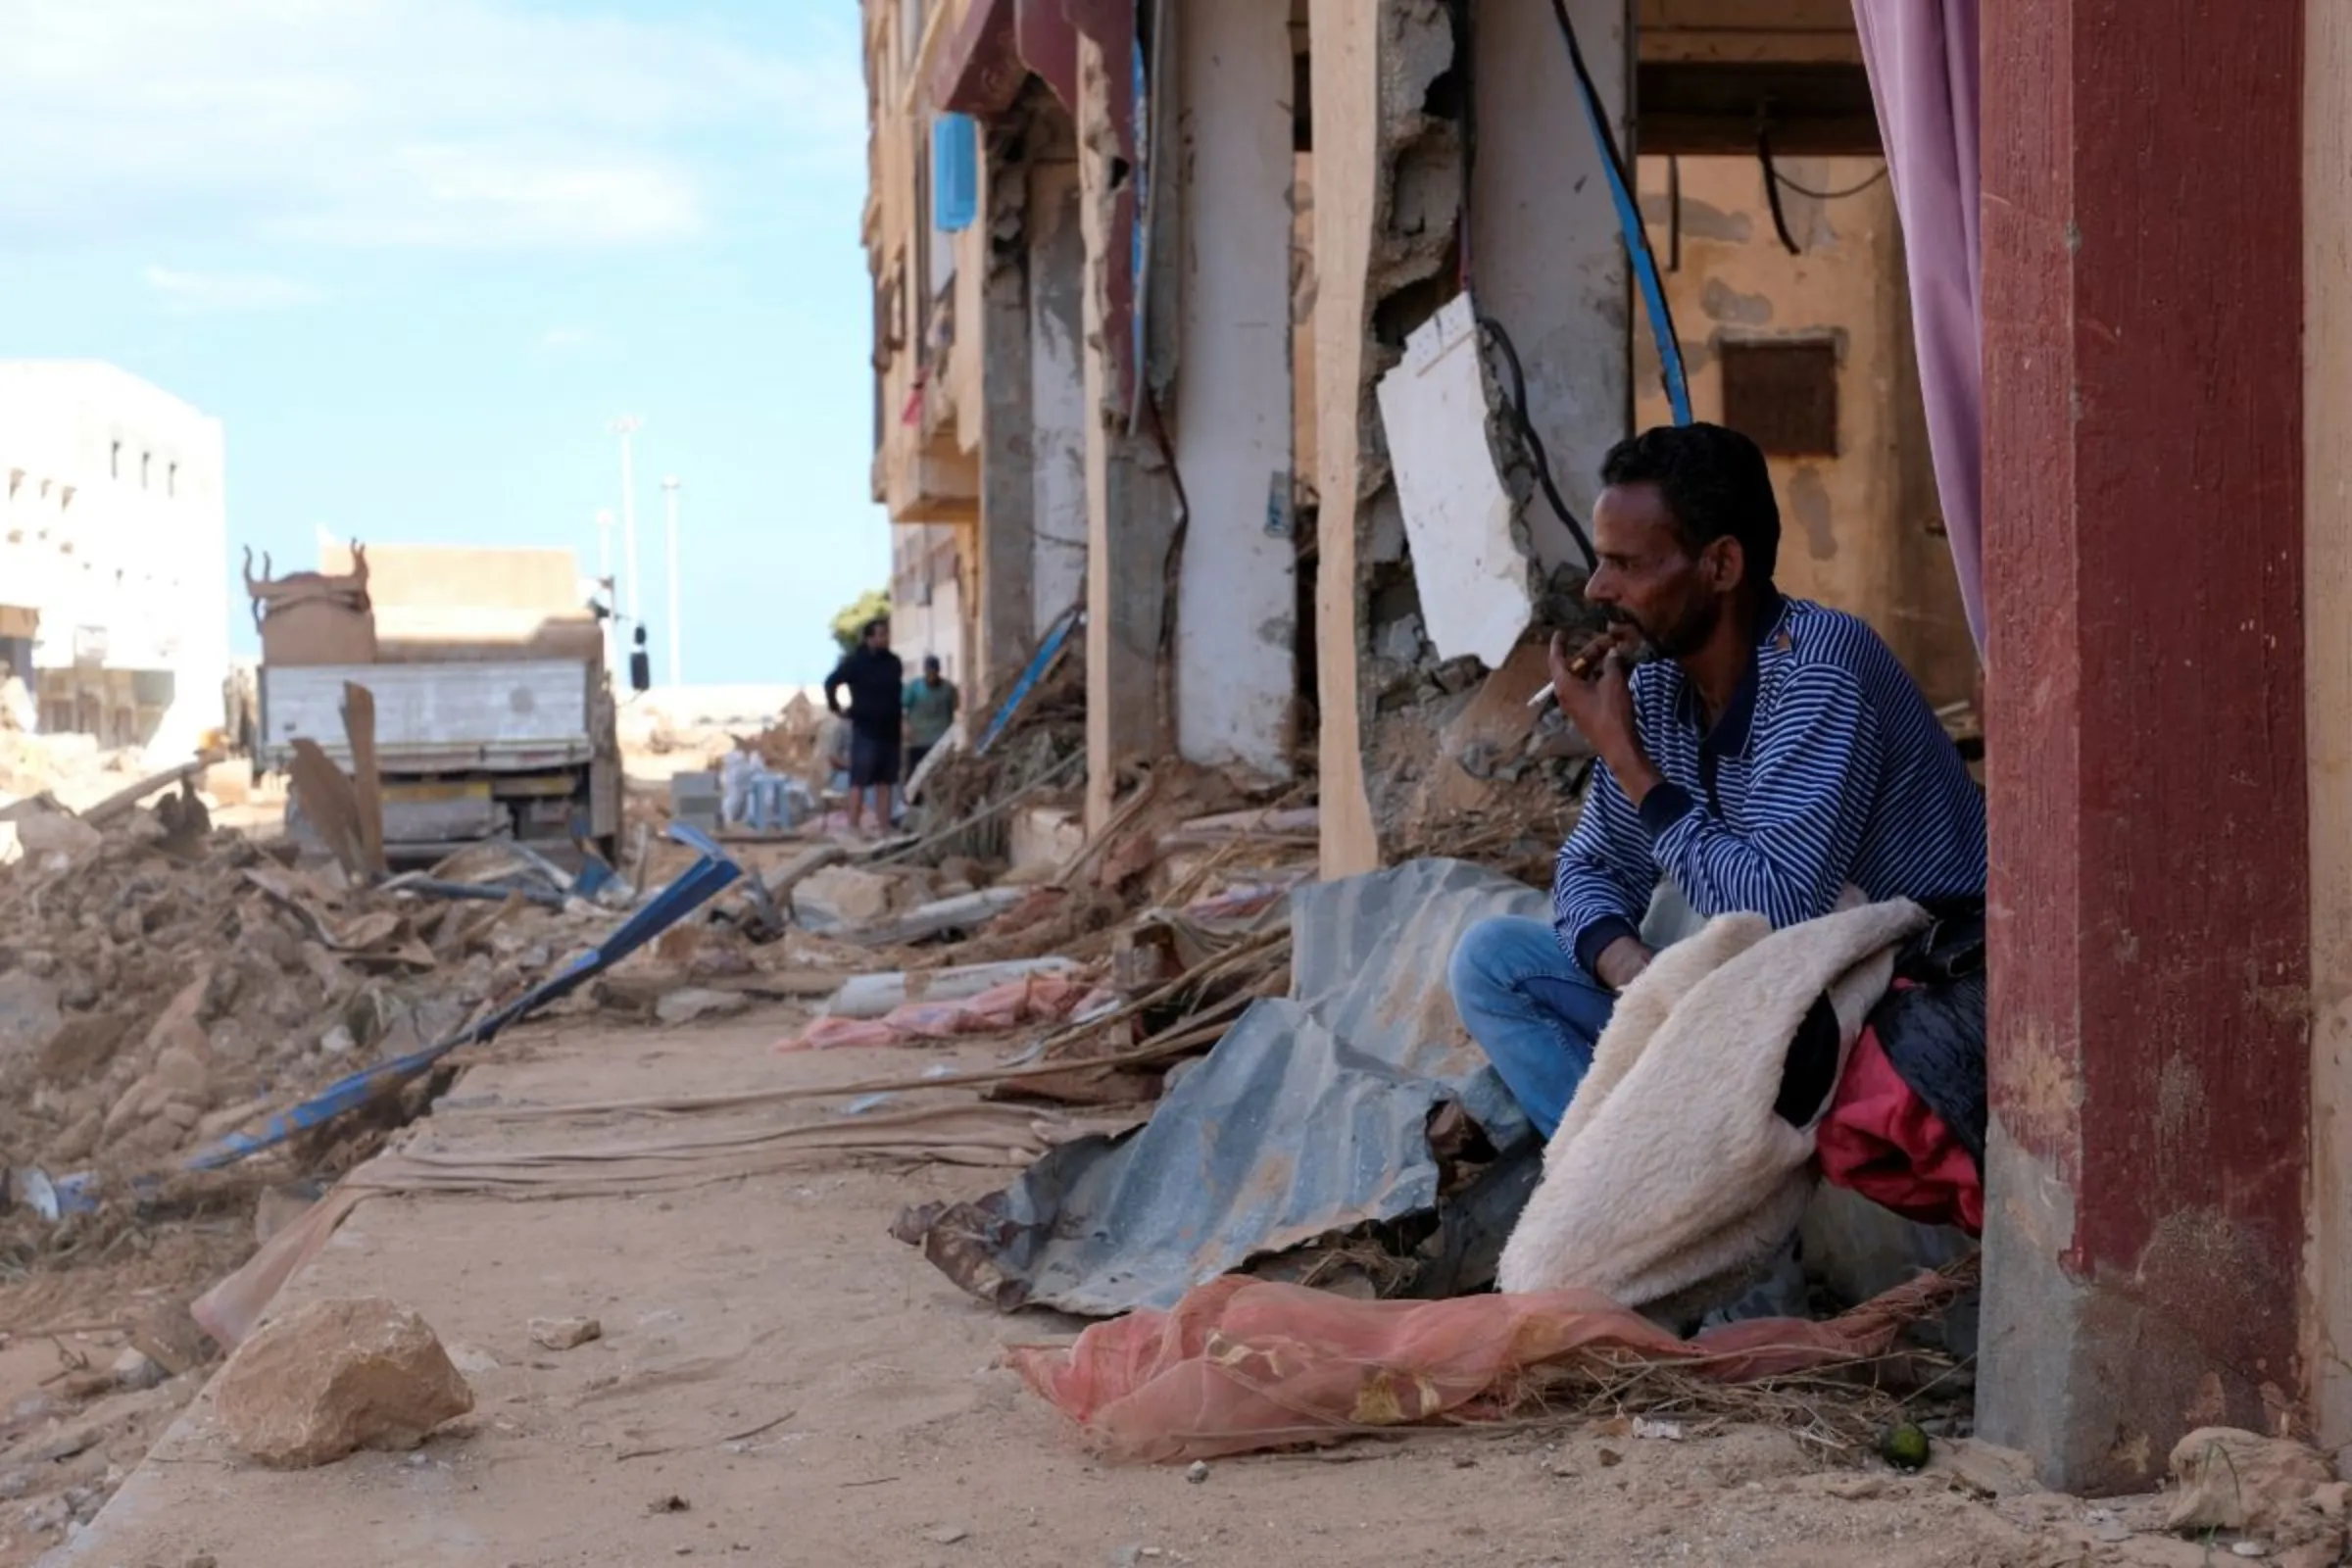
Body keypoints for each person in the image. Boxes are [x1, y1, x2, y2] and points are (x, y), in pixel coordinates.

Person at [1449, 422, 1986, 1143]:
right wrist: (1632, 972)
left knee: (1728, 991)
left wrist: (1630, 765)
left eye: (1627, 565)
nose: (1597, 588)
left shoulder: (1819, 672)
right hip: (1752, 988)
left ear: (1721, 566)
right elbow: (1591, 865)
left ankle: (1651, 1212)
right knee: (1492, 962)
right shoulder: (1660, 684)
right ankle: (1628, 1195)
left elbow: (1779, 908)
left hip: (1889, 991)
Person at [823, 617, 905, 838]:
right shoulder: (856, 663)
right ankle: (853, 827)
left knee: (885, 781)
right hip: (865, 730)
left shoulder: (894, 663)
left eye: (886, 635)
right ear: (869, 638)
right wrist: (836, 707)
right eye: (879, 635)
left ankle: (884, 827)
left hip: (890, 731)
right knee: (859, 780)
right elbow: (831, 682)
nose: (883, 639)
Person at [903, 655, 958, 777]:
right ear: (925, 671)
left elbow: (954, 707)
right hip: (918, 741)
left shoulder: (948, 689)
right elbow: (903, 707)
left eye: (934, 672)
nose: (931, 676)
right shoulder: (914, 688)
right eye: (929, 672)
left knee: (939, 776)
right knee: (915, 776)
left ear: (938, 671)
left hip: (941, 741)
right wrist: (906, 727)